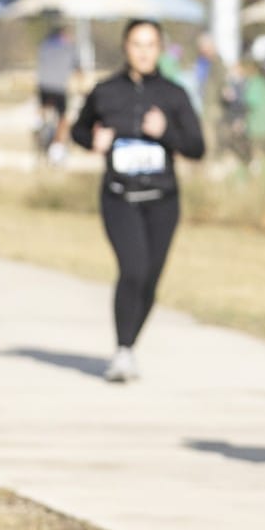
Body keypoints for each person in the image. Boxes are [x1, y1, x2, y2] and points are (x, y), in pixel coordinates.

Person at [59, 19, 207, 383]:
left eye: (150, 44)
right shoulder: (106, 91)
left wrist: (166, 132)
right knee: (133, 269)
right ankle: (123, 350)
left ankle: (130, 345)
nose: (143, 52)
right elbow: (79, 129)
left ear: (160, 49)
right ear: (126, 47)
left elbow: (197, 147)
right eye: (137, 44)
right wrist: (93, 141)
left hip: (162, 200)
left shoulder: (174, 94)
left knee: (150, 279)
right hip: (120, 197)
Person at [35, 23, 78, 162]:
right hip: (59, 87)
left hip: (43, 85)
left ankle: (39, 124)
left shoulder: (45, 45)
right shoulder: (70, 48)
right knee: (63, 118)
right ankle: (56, 147)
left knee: (43, 109)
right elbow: (78, 68)